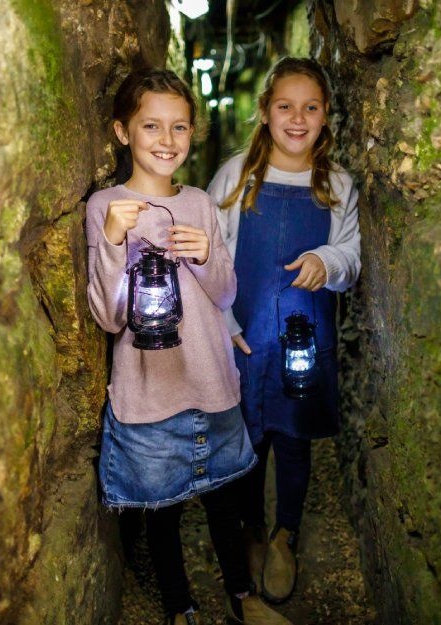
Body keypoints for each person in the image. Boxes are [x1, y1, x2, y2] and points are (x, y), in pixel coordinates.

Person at [85, 67, 293, 625]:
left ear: (192, 133)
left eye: (179, 127)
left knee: (224, 500)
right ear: (122, 132)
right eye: (151, 125)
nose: (166, 140)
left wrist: (205, 256)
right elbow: (108, 316)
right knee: (164, 511)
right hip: (150, 388)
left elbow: (225, 293)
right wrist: (110, 240)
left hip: (210, 379)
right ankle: (181, 607)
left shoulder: (201, 203)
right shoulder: (105, 206)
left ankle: (244, 599)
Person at [207, 57, 361, 604]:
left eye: (310, 108)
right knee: (247, 436)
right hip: (245, 335)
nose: (297, 118)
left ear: (325, 117)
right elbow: (208, 253)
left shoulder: (337, 182)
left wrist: (327, 259)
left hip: (305, 336)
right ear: (266, 112)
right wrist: (221, 320)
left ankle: (285, 534)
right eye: (285, 106)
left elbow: (350, 255)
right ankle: (250, 529)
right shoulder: (235, 176)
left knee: (294, 437)